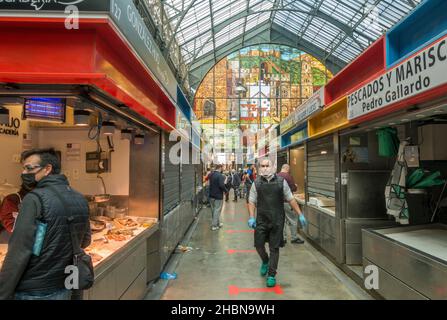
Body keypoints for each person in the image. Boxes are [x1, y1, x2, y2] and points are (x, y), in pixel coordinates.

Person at [0, 148, 91, 300]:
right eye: (23, 168)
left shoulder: (34, 199)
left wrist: (3, 292)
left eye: (29, 168)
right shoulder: (80, 198)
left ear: (47, 169)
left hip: (35, 290)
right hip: (68, 284)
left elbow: (19, 252)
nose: (24, 173)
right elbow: (85, 241)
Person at [248, 158, 307, 288]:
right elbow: (252, 200)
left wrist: (300, 214)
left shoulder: (282, 182)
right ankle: (265, 261)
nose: (264, 168)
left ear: (273, 167)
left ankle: (271, 275)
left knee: (274, 248)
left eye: (266, 165)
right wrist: (252, 217)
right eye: (262, 166)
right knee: (258, 245)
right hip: (262, 220)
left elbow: (290, 199)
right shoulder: (256, 183)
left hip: (277, 220)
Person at [277, 164, 305, 245]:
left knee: (283, 221)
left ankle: (283, 238)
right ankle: (294, 238)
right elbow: (293, 188)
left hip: (279, 202)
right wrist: (295, 186)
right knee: (293, 219)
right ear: (287, 169)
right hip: (287, 202)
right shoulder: (288, 176)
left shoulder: (277, 176)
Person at [208, 164, 227, 231]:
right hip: (218, 196)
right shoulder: (220, 176)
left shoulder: (211, 175)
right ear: (220, 168)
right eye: (222, 168)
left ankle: (217, 223)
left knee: (214, 210)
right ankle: (214, 225)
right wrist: (226, 190)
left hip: (211, 195)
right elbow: (221, 185)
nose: (223, 169)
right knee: (217, 210)